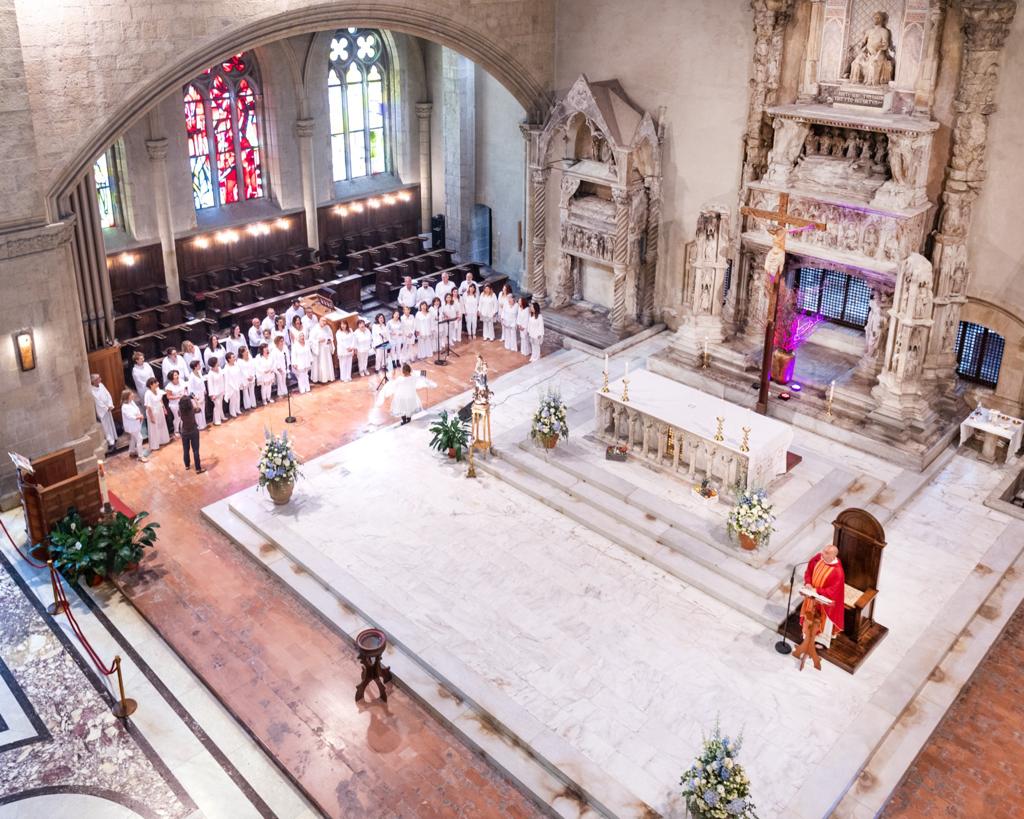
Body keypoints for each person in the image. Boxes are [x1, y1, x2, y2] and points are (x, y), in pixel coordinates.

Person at [796, 544, 846, 670]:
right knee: (809, 616)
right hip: (812, 596)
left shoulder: (837, 571)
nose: (823, 554)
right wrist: (808, 583)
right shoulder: (818, 558)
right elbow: (809, 571)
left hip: (825, 603)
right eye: (823, 551)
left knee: (821, 621)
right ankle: (807, 637)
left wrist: (817, 591)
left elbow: (833, 590)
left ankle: (819, 641)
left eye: (827, 553)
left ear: (834, 556)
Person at [178, 391, 205, 473]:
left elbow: (181, 406)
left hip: (184, 432)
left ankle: (187, 465)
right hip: (193, 431)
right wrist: (195, 399)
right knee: (195, 450)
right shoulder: (192, 410)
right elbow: (199, 408)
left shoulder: (180, 411)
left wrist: (182, 399)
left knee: (186, 449)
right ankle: (198, 469)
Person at [90, 374, 117, 449]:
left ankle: (114, 438)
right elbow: (97, 401)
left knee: (110, 424)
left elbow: (108, 394)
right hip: (102, 411)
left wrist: (110, 404)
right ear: (94, 381)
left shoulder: (101, 385)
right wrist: (106, 408)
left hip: (108, 408)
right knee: (106, 426)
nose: (100, 379)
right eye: (98, 378)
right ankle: (110, 442)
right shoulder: (92, 390)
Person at [120, 389, 147, 462]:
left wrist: (140, 414)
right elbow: (129, 416)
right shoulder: (124, 406)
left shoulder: (131, 402)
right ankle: (141, 456)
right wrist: (138, 417)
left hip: (136, 424)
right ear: (127, 396)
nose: (133, 394)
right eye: (131, 394)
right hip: (131, 426)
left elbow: (137, 409)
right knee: (139, 439)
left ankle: (132, 451)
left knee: (133, 438)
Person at [144, 377, 170, 450]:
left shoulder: (158, 390)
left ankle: (162, 440)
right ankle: (155, 445)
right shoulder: (148, 393)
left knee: (161, 425)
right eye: (155, 383)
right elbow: (148, 406)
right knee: (154, 429)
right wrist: (151, 417)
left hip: (159, 410)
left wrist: (164, 408)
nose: (157, 383)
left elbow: (161, 400)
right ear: (151, 385)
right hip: (152, 412)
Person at [311, 317, 336, 384]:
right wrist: (318, 341)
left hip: (326, 349)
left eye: (325, 321)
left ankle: (328, 377)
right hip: (319, 349)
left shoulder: (327, 328)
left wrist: (329, 340)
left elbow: (331, 336)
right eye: (323, 321)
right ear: (319, 321)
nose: (324, 322)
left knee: (327, 363)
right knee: (321, 364)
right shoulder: (315, 329)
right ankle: (321, 379)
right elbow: (311, 340)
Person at [165, 369, 188, 436]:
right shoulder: (169, 386)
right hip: (174, 404)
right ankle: (176, 431)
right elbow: (168, 396)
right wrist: (178, 397)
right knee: (177, 418)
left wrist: (185, 394)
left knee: (184, 417)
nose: (177, 376)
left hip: (183, 402)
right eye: (175, 375)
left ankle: (183, 429)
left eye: (177, 374)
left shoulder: (181, 381)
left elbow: (185, 389)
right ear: (171, 377)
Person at [186, 360, 208, 429]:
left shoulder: (199, 372)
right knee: (198, 410)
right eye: (198, 365)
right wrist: (194, 398)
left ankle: (204, 424)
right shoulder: (191, 377)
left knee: (203, 409)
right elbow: (190, 389)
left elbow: (202, 382)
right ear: (195, 367)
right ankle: (199, 425)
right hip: (196, 396)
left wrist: (204, 390)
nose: (200, 366)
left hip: (201, 394)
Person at [206, 356, 226, 426]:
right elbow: (210, 385)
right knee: (217, 406)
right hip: (215, 393)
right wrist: (212, 395)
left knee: (220, 405)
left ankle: (222, 416)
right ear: (214, 363)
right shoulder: (210, 374)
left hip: (221, 390)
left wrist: (224, 389)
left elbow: (222, 379)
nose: (218, 362)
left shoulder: (219, 369)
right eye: (217, 361)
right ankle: (217, 420)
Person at [223, 351, 243, 417]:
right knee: (233, 400)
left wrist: (239, 383)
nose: (235, 358)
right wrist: (233, 386)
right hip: (231, 386)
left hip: (237, 384)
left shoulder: (236, 365)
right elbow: (227, 379)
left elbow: (239, 374)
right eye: (233, 357)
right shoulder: (226, 368)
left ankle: (237, 410)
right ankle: (232, 412)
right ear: (229, 359)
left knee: (238, 398)